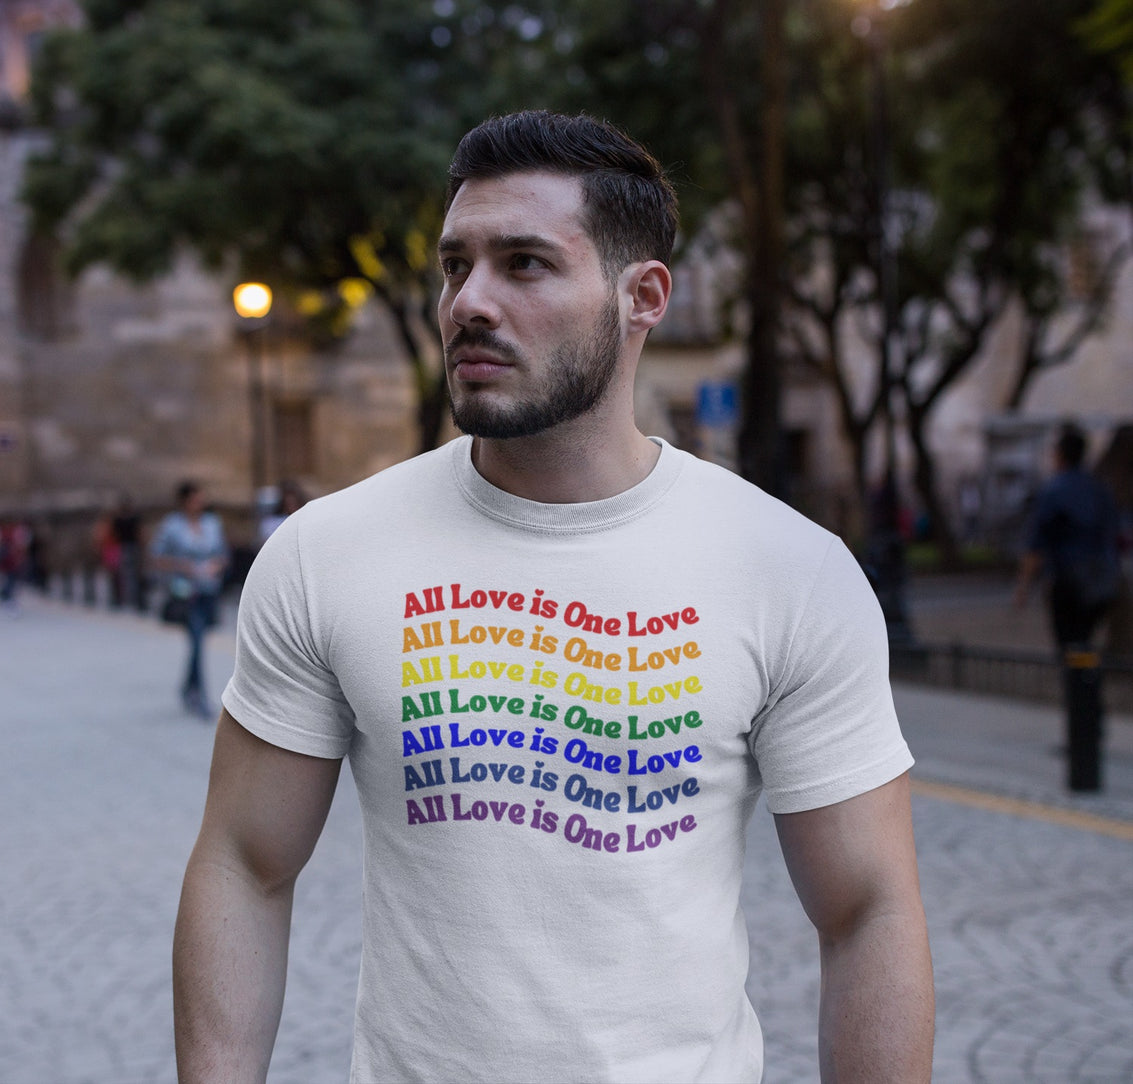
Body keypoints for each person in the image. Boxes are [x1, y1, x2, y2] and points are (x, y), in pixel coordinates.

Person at [174, 111, 933, 1082]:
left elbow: (865, 907)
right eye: (455, 265)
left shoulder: (786, 567)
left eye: (523, 264)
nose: (467, 302)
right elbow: (245, 861)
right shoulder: (329, 552)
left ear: (641, 297)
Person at [1014, 422, 1123, 790]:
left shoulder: (1055, 490)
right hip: (1103, 584)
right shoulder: (1099, 489)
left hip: (1070, 586)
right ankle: (1091, 724)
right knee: (1087, 653)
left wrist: (1023, 589)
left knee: (1072, 654)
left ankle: (1082, 731)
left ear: (1060, 454)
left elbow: (1036, 545)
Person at [153, 482, 229, 719]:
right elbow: (157, 556)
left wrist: (216, 565)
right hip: (186, 591)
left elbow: (224, 553)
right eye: (195, 499)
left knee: (199, 640)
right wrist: (183, 566)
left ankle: (187, 687)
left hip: (209, 589)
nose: (199, 503)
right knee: (196, 641)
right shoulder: (172, 526)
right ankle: (200, 695)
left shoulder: (212, 523)